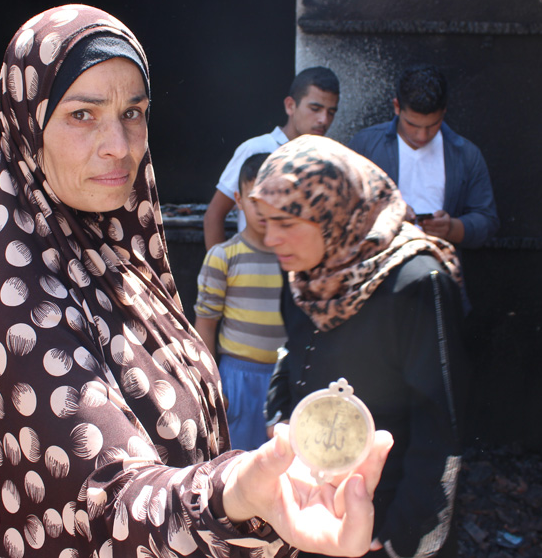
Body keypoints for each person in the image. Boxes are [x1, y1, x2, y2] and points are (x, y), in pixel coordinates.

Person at [0, 6, 392, 557]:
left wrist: (261, 493)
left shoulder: (119, 261)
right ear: (25, 128)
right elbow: (108, 499)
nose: (119, 143)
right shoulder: (16, 300)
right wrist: (234, 495)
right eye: (83, 115)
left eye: (133, 112)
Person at [254, 135, 467, 557]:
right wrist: (280, 421)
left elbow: (442, 428)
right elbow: (292, 354)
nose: (271, 238)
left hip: (383, 518)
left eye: (286, 222)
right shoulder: (308, 272)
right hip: (310, 504)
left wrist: (400, 536)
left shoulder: (416, 283)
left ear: (334, 215)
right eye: (265, 221)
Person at [348, 64, 498, 250]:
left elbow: (487, 222)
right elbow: (343, 212)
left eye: (432, 125)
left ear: (444, 113)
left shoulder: (466, 154)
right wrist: (389, 215)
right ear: (397, 107)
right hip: (378, 267)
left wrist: (451, 228)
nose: (422, 136)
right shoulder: (365, 145)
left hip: (439, 265)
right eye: (412, 125)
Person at [194, 153, 284, 451]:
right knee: (239, 465)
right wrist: (212, 383)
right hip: (237, 379)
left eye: (273, 198)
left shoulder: (295, 258)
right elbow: (205, 325)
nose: (263, 209)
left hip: (284, 378)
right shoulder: (222, 257)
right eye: (255, 199)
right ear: (239, 200)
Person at [202, 67, 340, 249]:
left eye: (331, 112)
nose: (323, 119)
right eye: (315, 109)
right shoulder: (256, 148)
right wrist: (217, 271)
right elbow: (214, 215)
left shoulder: (328, 158)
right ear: (290, 105)